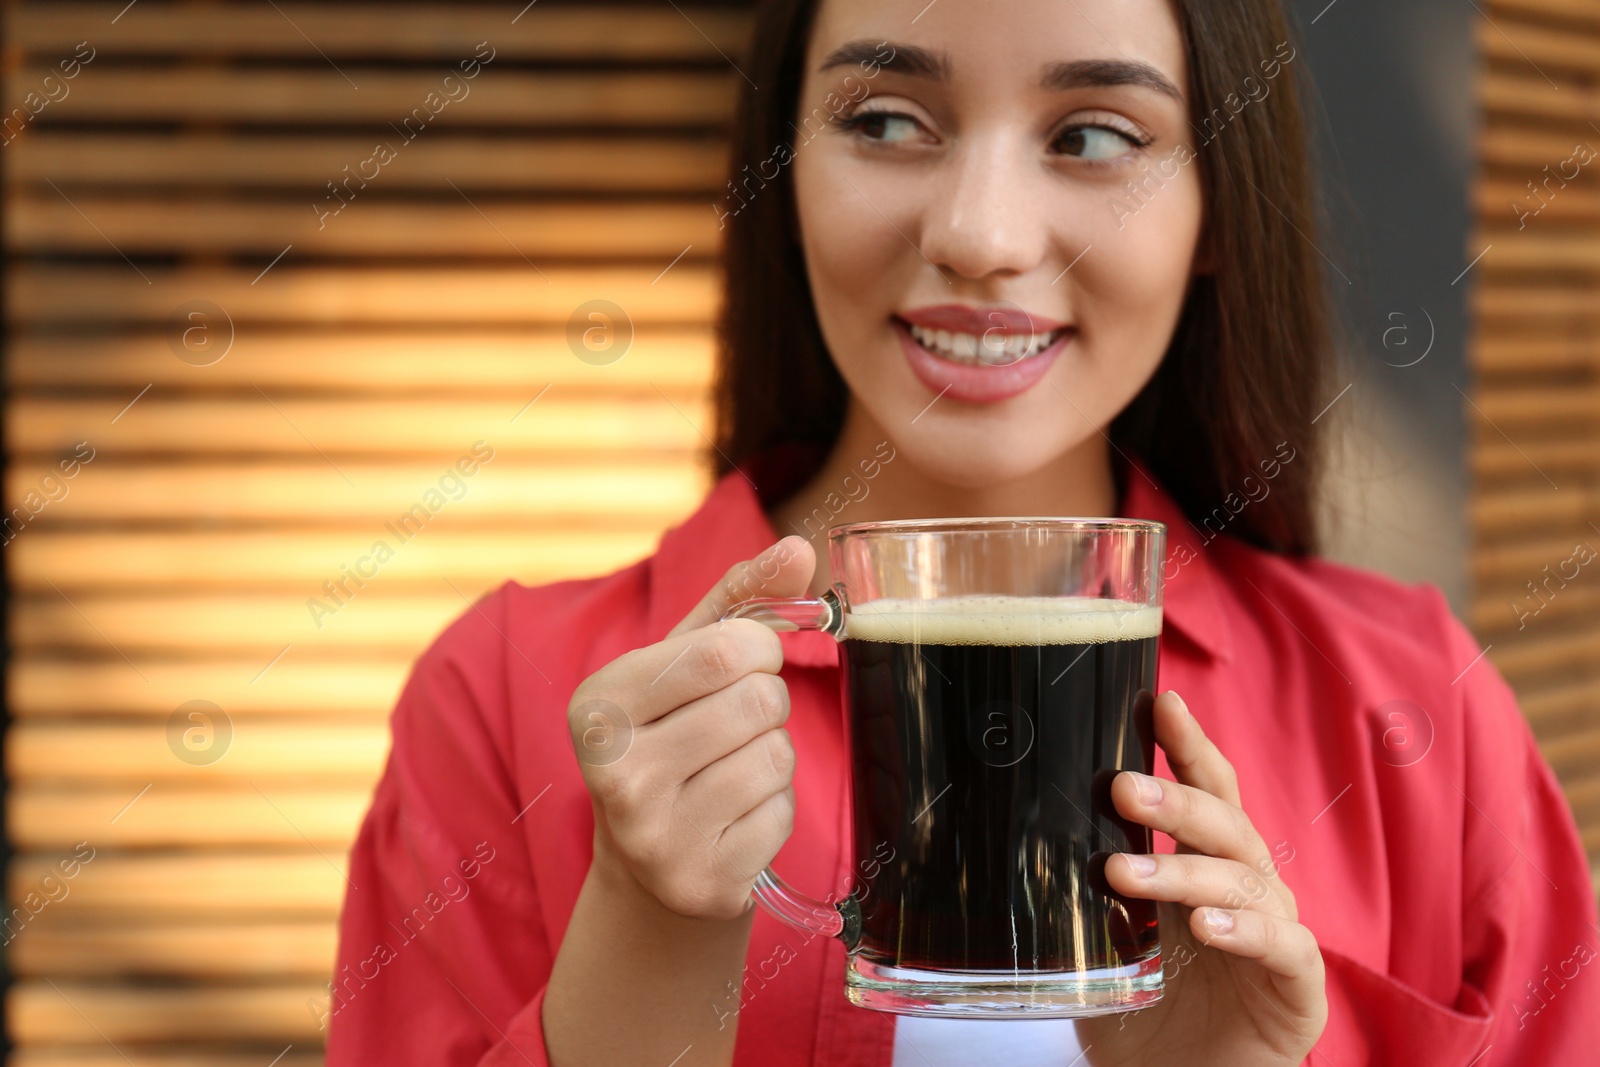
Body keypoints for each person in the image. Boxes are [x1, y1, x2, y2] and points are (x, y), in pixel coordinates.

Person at [325, 0, 1600, 1063]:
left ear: (1218, 205)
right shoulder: (500, 700)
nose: (980, 237)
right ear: (782, 171)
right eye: (885, 121)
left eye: (1096, 134)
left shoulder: (1420, 710)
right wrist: (647, 938)